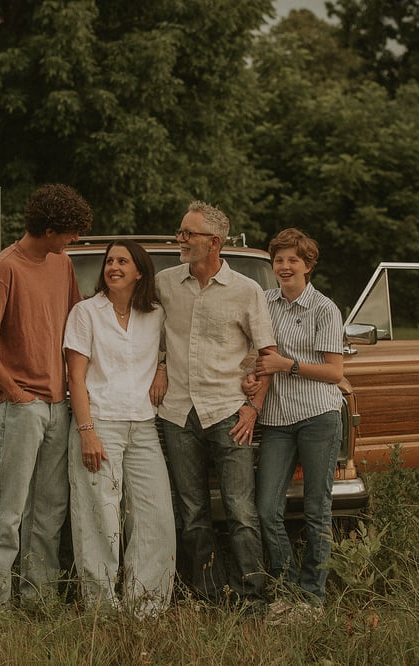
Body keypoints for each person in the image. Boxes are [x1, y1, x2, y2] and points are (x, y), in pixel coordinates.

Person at [0, 183, 93, 606]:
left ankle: (38, 600)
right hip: (21, 408)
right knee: (6, 512)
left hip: (59, 404)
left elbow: (76, 325)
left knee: (48, 512)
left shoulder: (63, 265)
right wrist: (13, 389)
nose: (75, 240)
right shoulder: (3, 269)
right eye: (71, 232)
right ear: (51, 229)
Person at [155, 200, 277, 609]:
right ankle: (207, 594)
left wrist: (252, 407)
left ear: (214, 242)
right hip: (176, 413)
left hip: (229, 412)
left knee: (242, 511)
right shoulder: (165, 283)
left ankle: (252, 597)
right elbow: (151, 336)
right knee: (191, 513)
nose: (180, 239)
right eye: (181, 232)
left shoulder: (247, 290)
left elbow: (266, 356)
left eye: (188, 234)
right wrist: (159, 367)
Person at [64, 240, 176, 616]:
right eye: (109, 261)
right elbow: (75, 379)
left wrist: (161, 367)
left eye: (122, 261)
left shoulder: (155, 313)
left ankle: (145, 606)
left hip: (144, 426)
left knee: (155, 517)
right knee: (100, 517)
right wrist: (86, 430)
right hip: (101, 423)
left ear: (139, 272)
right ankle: (102, 609)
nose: (113, 266)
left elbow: (169, 348)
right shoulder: (85, 313)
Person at [251, 228, 344, 614]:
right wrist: (252, 373)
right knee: (266, 507)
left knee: (316, 507)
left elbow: (335, 372)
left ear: (308, 265)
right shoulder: (265, 302)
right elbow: (255, 354)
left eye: (293, 260)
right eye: (279, 260)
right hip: (275, 418)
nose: (285, 267)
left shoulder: (324, 309)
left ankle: (312, 596)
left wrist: (285, 364)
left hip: (318, 415)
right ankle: (287, 588)